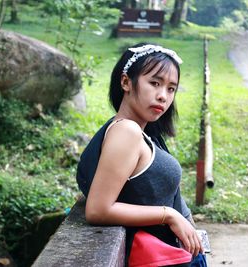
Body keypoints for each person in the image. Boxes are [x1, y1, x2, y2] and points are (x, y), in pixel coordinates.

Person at [76, 43, 204, 266]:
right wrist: (169, 215)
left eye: (171, 88)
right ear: (126, 82)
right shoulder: (126, 131)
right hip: (157, 258)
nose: (163, 96)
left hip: (174, 254)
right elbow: (98, 209)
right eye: (154, 83)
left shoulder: (143, 132)